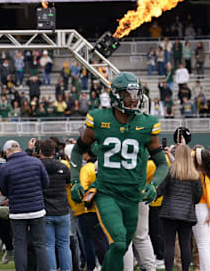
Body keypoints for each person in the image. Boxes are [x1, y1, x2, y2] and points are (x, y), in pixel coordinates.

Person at [70, 72, 169, 271]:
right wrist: (75, 181)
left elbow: (163, 163)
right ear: (116, 95)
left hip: (133, 196)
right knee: (119, 242)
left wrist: (153, 185)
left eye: (136, 93)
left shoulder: (146, 124)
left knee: (123, 247)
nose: (133, 98)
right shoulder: (99, 119)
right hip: (107, 192)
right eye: (128, 94)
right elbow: (77, 150)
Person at [0, 139, 50, 271]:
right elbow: (46, 183)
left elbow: (4, 191)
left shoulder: (5, 167)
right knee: (40, 245)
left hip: (17, 212)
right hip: (37, 209)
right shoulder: (36, 162)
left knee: (20, 245)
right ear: (19, 149)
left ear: (7, 152)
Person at [157, 144, 203, 271]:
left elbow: (161, 189)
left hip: (169, 212)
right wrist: (190, 202)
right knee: (185, 244)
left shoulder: (170, 170)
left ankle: (168, 269)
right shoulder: (194, 175)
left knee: (169, 244)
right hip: (187, 212)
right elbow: (198, 195)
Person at [38, 139, 71, 271]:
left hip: (46, 210)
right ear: (54, 151)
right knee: (64, 245)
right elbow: (68, 182)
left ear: (40, 151)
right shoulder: (63, 166)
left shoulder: (37, 166)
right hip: (62, 210)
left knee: (49, 245)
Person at [193, 147, 210, 271]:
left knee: (203, 243)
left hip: (201, 208)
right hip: (206, 208)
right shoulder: (207, 172)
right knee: (206, 243)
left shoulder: (202, 174)